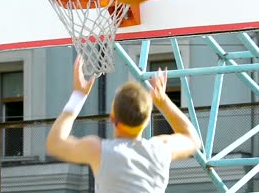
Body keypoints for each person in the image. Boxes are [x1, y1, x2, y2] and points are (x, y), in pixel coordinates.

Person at [46, 55, 201, 192]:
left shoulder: (98, 150)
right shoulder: (160, 149)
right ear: (147, 121)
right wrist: (162, 101)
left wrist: (78, 96)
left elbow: (55, 143)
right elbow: (192, 139)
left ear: (112, 118)